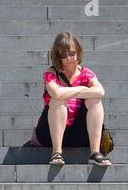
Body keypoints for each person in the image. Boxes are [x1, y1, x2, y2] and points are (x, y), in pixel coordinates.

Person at [31, 31, 111, 168]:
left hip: (78, 133)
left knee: (95, 100)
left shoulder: (86, 74)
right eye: (64, 55)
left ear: (78, 53)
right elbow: (56, 93)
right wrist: (82, 90)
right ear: (58, 56)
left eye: (72, 54)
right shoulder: (51, 73)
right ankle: (57, 152)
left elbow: (100, 91)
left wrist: (68, 92)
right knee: (57, 101)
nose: (69, 58)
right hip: (49, 133)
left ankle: (95, 152)